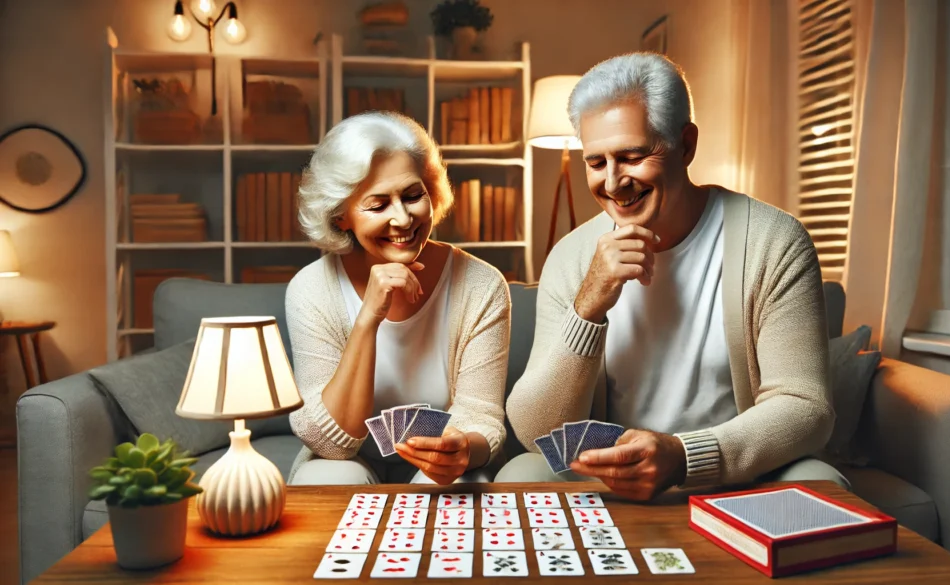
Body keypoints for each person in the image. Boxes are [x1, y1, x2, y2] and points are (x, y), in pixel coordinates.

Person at [496, 53, 845, 500]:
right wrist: (588, 306)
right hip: (608, 478)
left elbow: (805, 407)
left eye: (633, 156)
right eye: (596, 162)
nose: (614, 182)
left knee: (822, 484)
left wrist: (684, 456)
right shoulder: (572, 256)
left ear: (687, 144)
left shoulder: (773, 240)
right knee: (521, 474)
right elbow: (534, 431)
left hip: (733, 476)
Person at [286, 111, 510, 486]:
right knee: (328, 477)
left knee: (454, 487)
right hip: (350, 460)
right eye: (378, 205)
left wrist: (463, 450)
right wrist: (368, 317)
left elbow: (482, 417)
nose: (403, 219)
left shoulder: (481, 284)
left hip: (444, 467)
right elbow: (331, 444)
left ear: (431, 191)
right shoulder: (311, 289)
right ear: (341, 215)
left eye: (412, 196)